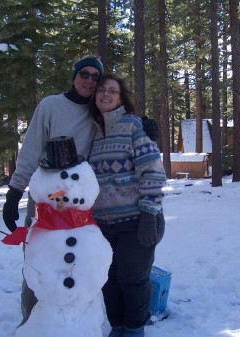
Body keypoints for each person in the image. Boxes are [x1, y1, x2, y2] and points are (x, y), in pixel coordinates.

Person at [2, 55, 104, 326]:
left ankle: (74, 327)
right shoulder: (51, 105)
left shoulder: (98, 113)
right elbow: (31, 150)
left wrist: (144, 129)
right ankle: (31, 324)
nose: (90, 80)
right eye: (85, 74)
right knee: (39, 265)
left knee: (78, 267)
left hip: (79, 207)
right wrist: (14, 192)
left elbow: (123, 121)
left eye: (96, 77)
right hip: (45, 202)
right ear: (74, 76)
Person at [88, 73, 166, 337]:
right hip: (102, 225)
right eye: (101, 90)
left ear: (121, 98)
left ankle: (134, 330)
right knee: (108, 281)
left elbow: (153, 171)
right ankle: (117, 327)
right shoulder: (93, 133)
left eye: (112, 91)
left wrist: (149, 214)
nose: (106, 94)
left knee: (132, 280)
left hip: (135, 220)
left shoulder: (133, 126)